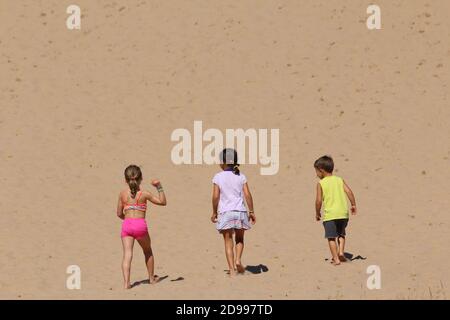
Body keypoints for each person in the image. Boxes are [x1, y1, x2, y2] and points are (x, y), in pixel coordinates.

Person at [116, 165, 167, 289]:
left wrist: (128, 219)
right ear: (141, 178)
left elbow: (118, 213)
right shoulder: (144, 194)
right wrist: (159, 187)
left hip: (127, 224)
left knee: (127, 254)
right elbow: (162, 202)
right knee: (147, 250)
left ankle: (126, 283)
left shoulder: (122, 194)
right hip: (140, 225)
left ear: (125, 180)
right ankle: (151, 278)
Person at [211, 148, 256, 275]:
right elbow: (247, 195)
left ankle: (231, 270)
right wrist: (251, 211)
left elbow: (215, 197)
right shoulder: (241, 176)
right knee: (240, 239)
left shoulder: (218, 177)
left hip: (225, 212)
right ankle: (238, 260)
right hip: (240, 211)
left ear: (223, 162)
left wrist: (214, 212)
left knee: (227, 240)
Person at [314, 155, 357, 266]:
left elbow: (318, 201)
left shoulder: (321, 183)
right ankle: (341, 252)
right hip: (343, 213)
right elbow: (349, 192)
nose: (316, 175)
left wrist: (317, 212)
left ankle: (336, 258)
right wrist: (353, 204)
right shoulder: (339, 180)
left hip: (330, 215)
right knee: (341, 234)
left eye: (316, 172)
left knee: (331, 237)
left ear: (321, 170)